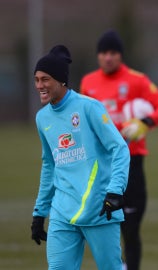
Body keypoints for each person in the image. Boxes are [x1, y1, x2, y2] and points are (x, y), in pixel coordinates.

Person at [80, 30, 158, 270]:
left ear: (120, 55)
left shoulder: (137, 80)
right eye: (103, 53)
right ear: (98, 56)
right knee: (103, 226)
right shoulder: (88, 82)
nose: (108, 57)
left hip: (132, 162)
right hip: (100, 165)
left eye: (113, 53)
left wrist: (145, 123)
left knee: (130, 229)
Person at [30, 44, 130, 270]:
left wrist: (115, 191)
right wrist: (40, 212)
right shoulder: (42, 118)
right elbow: (49, 165)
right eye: (36, 79)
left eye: (45, 79)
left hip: (99, 208)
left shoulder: (89, 108)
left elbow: (120, 148)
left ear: (61, 80)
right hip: (62, 211)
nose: (39, 86)